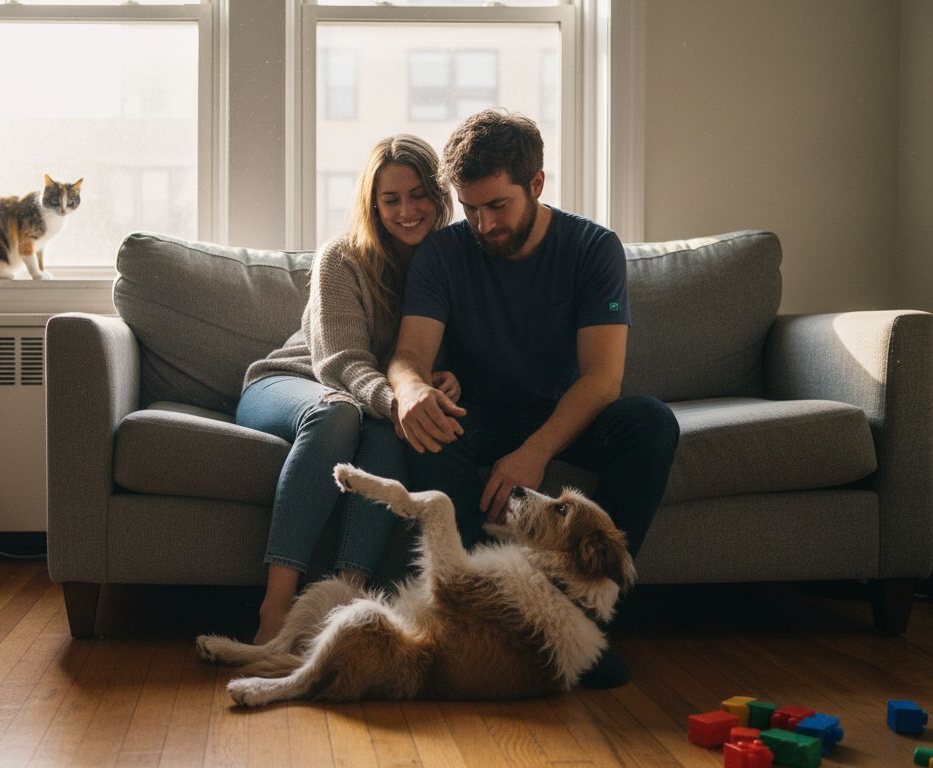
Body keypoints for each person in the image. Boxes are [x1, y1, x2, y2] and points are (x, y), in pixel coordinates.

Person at [387, 110, 680, 686]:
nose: (483, 223)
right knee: (427, 428)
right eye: (470, 209)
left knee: (649, 423)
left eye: (497, 206)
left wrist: (537, 451)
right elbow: (407, 357)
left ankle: (582, 626)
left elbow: (602, 379)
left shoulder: (593, 248)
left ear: (537, 184)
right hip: (480, 413)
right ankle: (482, 623)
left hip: (563, 413)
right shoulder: (443, 254)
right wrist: (412, 389)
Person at [237, 134, 457, 645]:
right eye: (391, 199)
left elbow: (449, 351)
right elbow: (341, 364)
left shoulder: (450, 261)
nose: (407, 210)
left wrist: (446, 378)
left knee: (385, 436)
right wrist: (400, 400)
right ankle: (274, 613)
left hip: (375, 407)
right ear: (372, 204)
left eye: (419, 194)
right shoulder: (343, 257)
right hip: (292, 383)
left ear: (439, 196)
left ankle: (343, 608)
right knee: (339, 413)